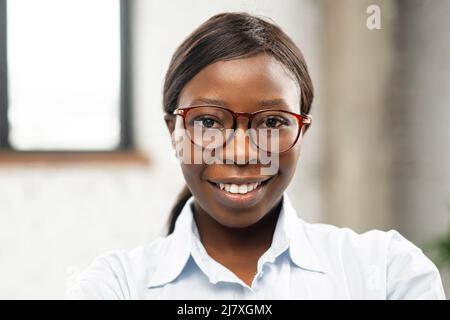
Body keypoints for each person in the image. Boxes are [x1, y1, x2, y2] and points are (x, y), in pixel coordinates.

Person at [66, 12, 446, 299]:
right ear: (174, 131)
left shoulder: (387, 272)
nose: (242, 152)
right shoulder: (115, 286)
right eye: (210, 123)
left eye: (272, 121)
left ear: (303, 131)